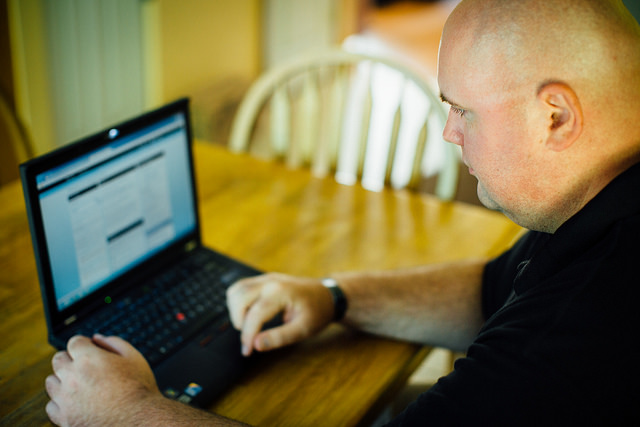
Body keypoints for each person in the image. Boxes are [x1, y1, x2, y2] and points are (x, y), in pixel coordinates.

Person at [44, 0, 640, 425]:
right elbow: (491, 290)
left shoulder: (581, 326)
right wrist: (330, 296)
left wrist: (128, 411)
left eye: (464, 110)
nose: (448, 133)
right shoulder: (593, 202)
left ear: (554, 117)